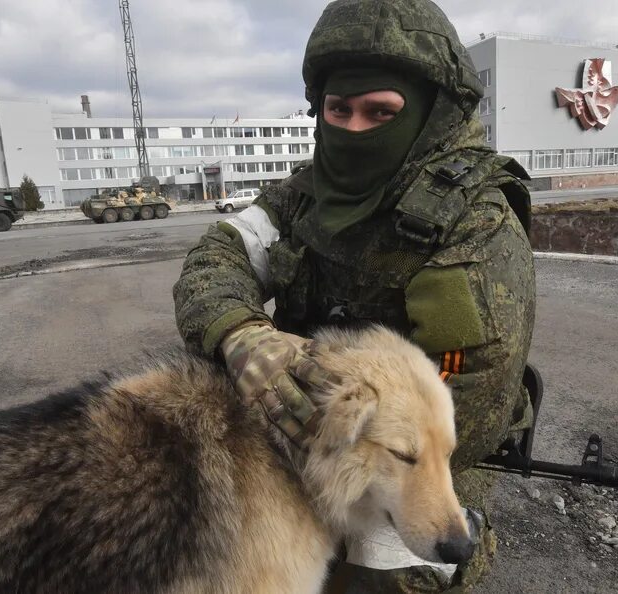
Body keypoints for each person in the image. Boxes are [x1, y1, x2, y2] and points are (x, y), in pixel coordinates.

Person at [173, 0, 535, 590]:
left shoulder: (473, 220)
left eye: (380, 111)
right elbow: (218, 257)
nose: (355, 129)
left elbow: (468, 390)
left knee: (367, 581)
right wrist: (241, 335)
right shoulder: (302, 195)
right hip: (295, 428)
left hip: (408, 457)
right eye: (339, 109)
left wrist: (342, 450)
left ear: (426, 112)